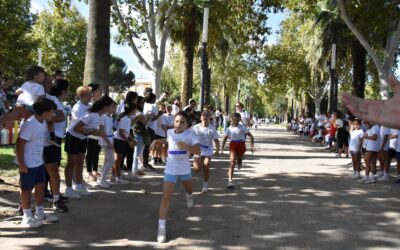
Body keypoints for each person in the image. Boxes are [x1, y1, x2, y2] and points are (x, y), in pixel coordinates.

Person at [150, 111, 201, 243]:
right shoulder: (170, 132)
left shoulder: (190, 135)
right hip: (170, 169)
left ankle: (189, 195)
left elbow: (198, 151)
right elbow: (168, 140)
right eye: (177, 121)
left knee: (189, 189)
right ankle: (161, 228)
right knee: (166, 198)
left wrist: (186, 146)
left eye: (182, 122)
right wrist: (157, 140)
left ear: (187, 124)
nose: (179, 124)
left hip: (184, 169)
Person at [16, 97, 58, 228]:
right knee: (26, 189)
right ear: (45, 113)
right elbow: (20, 145)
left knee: (40, 186)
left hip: (39, 162)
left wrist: (42, 160)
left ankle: (40, 213)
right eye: (52, 112)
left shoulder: (43, 123)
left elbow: (39, 141)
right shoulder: (30, 124)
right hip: (28, 163)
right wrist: (22, 164)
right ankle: (27, 217)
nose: (53, 114)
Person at [43, 79, 70, 212]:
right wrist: (51, 117)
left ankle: (54, 195)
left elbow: (58, 116)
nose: (50, 85)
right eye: (48, 82)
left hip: (55, 137)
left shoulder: (54, 99)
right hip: (48, 139)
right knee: (50, 168)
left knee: (53, 168)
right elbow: (56, 116)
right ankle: (51, 196)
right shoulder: (49, 98)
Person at [221, 113, 254, 188]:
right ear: (232, 119)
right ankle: (230, 181)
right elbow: (225, 138)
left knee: (239, 161)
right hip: (233, 144)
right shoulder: (229, 128)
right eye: (234, 120)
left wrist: (252, 146)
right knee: (232, 163)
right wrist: (222, 148)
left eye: (237, 120)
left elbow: (251, 136)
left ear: (239, 120)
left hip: (241, 144)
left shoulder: (242, 127)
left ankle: (240, 162)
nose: (235, 122)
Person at [192, 111, 220, 193]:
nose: (205, 117)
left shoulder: (212, 129)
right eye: (203, 115)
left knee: (206, 166)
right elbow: (190, 138)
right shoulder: (195, 127)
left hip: (208, 149)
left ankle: (205, 184)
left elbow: (216, 140)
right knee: (197, 169)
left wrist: (217, 150)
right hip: (198, 149)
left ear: (209, 118)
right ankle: (197, 163)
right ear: (200, 117)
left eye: (207, 116)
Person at [112, 103, 136, 184]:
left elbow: (127, 131)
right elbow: (121, 132)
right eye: (134, 109)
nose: (136, 111)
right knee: (118, 160)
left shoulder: (128, 118)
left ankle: (117, 175)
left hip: (122, 140)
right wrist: (128, 141)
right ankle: (117, 177)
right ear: (131, 110)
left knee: (120, 159)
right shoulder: (125, 119)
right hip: (119, 140)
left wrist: (132, 139)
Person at [97, 101, 116, 188]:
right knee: (111, 160)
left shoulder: (110, 117)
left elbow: (111, 129)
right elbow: (101, 130)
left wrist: (112, 140)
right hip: (105, 139)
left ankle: (102, 178)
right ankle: (102, 180)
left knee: (107, 160)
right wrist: (108, 141)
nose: (114, 109)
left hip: (110, 138)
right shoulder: (102, 117)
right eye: (112, 107)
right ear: (107, 107)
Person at [85, 83, 103, 181]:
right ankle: (89, 172)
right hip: (90, 132)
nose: (101, 92)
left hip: (98, 132)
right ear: (93, 91)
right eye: (99, 90)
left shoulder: (99, 103)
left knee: (96, 152)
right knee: (90, 152)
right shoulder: (89, 104)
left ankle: (95, 169)